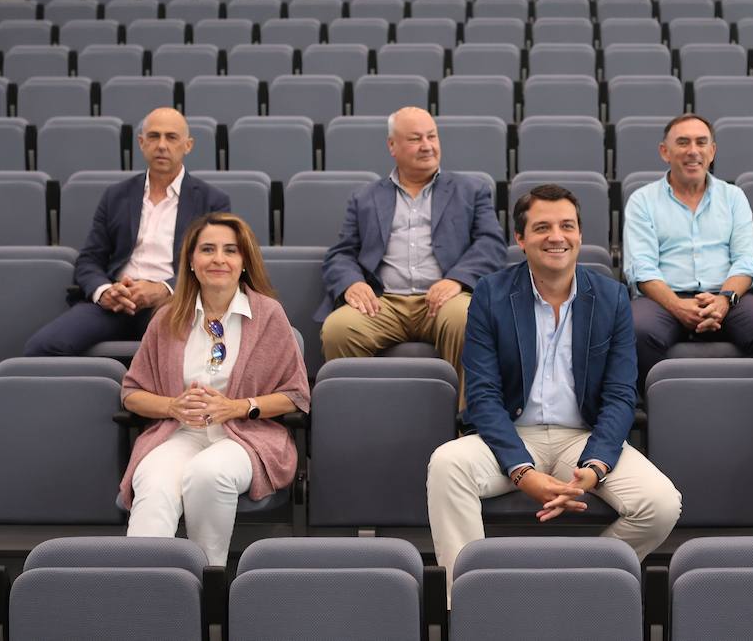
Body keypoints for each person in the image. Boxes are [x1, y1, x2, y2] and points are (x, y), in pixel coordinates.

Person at [426, 184, 681, 590]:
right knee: (446, 464)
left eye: (567, 226)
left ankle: (586, 581)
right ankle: (468, 598)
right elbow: (484, 396)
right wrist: (523, 472)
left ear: (581, 235)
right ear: (521, 239)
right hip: (508, 438)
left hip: (581, 439)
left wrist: (595, 468)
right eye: (542, 227)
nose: (556, 237)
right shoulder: (491, 296)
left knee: (662, 504)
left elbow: (619, 396)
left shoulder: (612, 298)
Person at [119, 212, 310, 567]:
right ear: (191, 261)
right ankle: (143, 586)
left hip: (245, 437)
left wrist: (238, 407)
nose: (218, 259)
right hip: (181, 433)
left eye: (230, 251)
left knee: (208, 473)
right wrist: (172, 407)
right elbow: (132, 391)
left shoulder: (268, 314)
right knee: (154, 482)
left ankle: (207, 579)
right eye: (207, 249)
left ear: (243, 262)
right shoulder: (167, 316)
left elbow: (296, 395)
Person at [316, 106, 506, 381]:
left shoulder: (471, 190)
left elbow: (491, 243)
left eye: (432, 137)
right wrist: (351, 284)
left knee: (467, 319)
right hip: (383, 302)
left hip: (445, 300)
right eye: (416, 139)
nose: (427, 146)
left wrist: (457, 280)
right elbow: (342, 253)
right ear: (392, 145)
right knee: (338, 328)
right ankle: (358, 420)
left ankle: (469, 421)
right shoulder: (365, 197)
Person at [24, 107, 231, 356]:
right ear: (141, 143)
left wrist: (164, 289)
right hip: (116, 302)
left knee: (183, 354)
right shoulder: (116, 196)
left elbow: (215, 265)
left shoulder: (212, 201)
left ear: (188, 145)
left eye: (171, 137)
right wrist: (104, 291)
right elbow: (89, 260)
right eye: (154, 137)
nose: (162, 145)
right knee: (41, 348)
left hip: (172, 303)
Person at [621, 113, 753, 385]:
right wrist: (678, 307)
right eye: (683, 143)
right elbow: (640, 269)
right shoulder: (642, 200)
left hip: (726, 296)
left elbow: (746, 262)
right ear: (665, 152)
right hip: (664, 299)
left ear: (712, 151)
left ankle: (748, 405)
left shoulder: (733, 197)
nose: (693, 151)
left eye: (701, 143)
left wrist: (724, 301)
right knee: (636, 332)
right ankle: (661, 410)